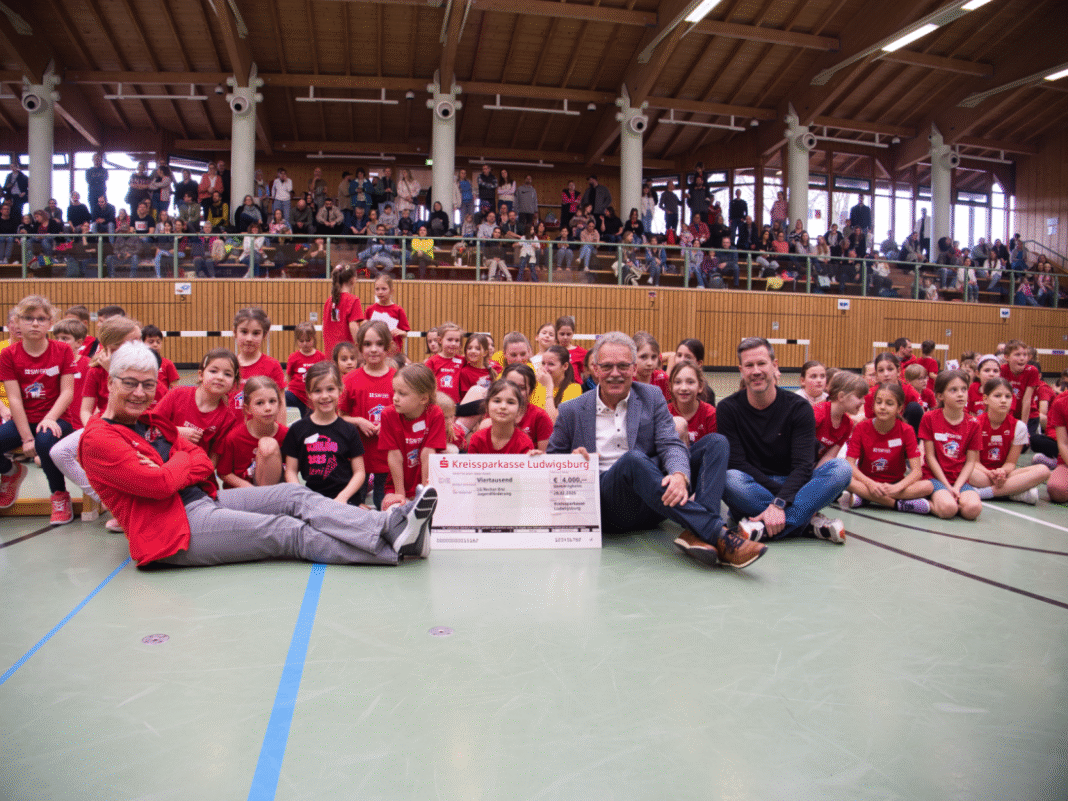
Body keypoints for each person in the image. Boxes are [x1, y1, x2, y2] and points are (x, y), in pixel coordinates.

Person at [80, 341, 435, 567]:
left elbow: (201, 463)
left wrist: (174, 466)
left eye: (148, 384)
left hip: (204, 499)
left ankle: (391, 527)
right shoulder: (99, 438)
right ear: (110, 382)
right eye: (130, 383)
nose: (140, 393)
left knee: (293, 495)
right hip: (174, 530)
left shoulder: (153, 422)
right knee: (288, 531)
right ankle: (396, 549)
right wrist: (178, 462)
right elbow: (158, 485)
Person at [547, 331, 763, 568]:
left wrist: (679, 475)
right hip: (609, 507)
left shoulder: (651, 395)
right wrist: (572, 462)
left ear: (633, 369)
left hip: (654, 501)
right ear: (595, 370)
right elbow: (551, 463)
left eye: (623, 366)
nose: (615, 373)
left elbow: (670, 442)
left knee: (716, 442)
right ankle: (717, 534)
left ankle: (699, 533)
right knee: (633, 459)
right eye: (607, 366)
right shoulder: (571, 410)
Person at [718, 337, 852, 544]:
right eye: (749, 365)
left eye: (761, 363)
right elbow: (737, 463)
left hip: (795, 483)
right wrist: (781, 499)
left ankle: (763, 528)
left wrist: (780, 503)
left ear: (774, 365)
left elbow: (803, 466)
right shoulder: (728, 408)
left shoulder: (799, 408)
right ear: (741, 370)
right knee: (729, 479)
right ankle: (807, 521)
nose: (756, 371)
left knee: (841, 469)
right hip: (754, 486)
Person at [0, 296, 76, 523]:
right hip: (24, 419)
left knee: (45, 443)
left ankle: (59, 495)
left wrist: (50, 418)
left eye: (41, 319)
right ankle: (11, 472)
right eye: (28, 318)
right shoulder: (8, 355)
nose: (35, 323)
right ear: (17, 322)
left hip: (57, 418)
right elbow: (14, 399)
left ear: (50, 323)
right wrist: (26, 437)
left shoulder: (62, 350)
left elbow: (67, 392)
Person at [843, 381, 929, 513]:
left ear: (899, 408)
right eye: (879, 402)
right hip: (867, 482)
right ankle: (897, 504)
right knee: (845, 478)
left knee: (928, 486)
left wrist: (897, 487)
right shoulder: (861, 427)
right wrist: (870, 484)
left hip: (895, 485)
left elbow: (917, 472)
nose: (882, 407)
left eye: (889, 403)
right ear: (873, 405)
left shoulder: (907, 430)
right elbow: (850, 464)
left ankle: (866, 497)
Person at [340, 320, 397, 509]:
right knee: (356, 507)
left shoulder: (398, 379)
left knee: (385, 508)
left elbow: (406, 415)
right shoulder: (349, 380)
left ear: (388, 346)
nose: (373, 349)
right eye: (367, 344)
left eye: (379, 344)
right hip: (358, 459)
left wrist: (388, 424)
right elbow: (338, 417)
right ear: (359, 347)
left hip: (388, 460)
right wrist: (357, 421)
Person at [969, 377, 1050, 504]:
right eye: (997, 396)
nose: (1003, 400)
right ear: (985, 399)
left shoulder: (1019, 426)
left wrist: (1002, 472)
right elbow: (974, 462)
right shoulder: (974, 424)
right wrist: (990, 473)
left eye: (1007, 396)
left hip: (1005, 475)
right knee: (965, 470)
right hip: (981, 473)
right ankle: (1013, 492)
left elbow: (1011, 463)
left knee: (1043, 470)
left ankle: (984, 493)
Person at [918, 370, 982, 520]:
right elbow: (930, 457)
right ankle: (923, 504)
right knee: (948, 509)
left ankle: (952, 500)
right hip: (934, 477)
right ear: (940, 396)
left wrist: (957, 487)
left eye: (963, 389)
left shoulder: (974, 423)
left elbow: (971, 462)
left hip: (959, 480)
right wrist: (947, 486)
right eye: (953, 390)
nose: (960, 394)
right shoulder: (929, 418)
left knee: (973, 510)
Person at [216, 376, 287, 489]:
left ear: (279, 405)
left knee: (268, 445)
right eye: (260, 403)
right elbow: (224, 473)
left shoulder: (287, 435)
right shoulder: (234, 437)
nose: (268, 408)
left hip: (273, 491)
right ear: (247, 408)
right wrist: (248, 487)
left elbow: (293, 470)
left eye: (272, 401)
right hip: (244, 492)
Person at [230, 308, 286, 424]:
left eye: (256, 333)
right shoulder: (228, 365)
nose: (249, 339)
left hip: (264, 431)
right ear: (235, 332)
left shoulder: (272, 366)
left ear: (264, 335)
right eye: (244, 332)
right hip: (233, 432)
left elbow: (280, 404)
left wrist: (282, 432)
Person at [467, 378, 536, 455]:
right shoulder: (477, 439)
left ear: (519, 410)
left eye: (510, 402)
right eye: (497, 401)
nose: (503, 406)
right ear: (486, 406)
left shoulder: (525, 444)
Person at [284, 322, 326, 417]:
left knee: (309, 420)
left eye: (308, 340)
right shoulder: (293, 357)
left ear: (314, 338)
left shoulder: (321, 356)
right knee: (278, 399)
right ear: (297, 340)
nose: (305, 344)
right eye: (301, 341)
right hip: (295, 394)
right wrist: (290, 388)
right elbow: (288, 375)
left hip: (311, 397)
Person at [365, 274, 410, 353]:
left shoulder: (398, 310)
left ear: (391, 291)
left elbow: (405, 333)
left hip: (392, 352)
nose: (380, 292)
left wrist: (400, 332)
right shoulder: (370, 309)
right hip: (374, 351)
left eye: (384, 289)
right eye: (377, 289)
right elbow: (364, 330)